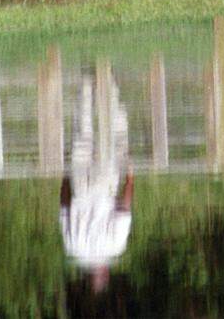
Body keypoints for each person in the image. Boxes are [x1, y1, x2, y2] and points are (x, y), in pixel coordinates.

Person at [59, 65, 133, 293]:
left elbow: (124, 210)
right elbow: (64, 207)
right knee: (83, 133)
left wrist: (130, 177)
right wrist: (65, 176)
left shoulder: (114, 248)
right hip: (80, 187)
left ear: (105, 272)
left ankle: (108, 81)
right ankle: (88, 82)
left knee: (115, 136)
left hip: (104, 188)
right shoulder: (72, 248)